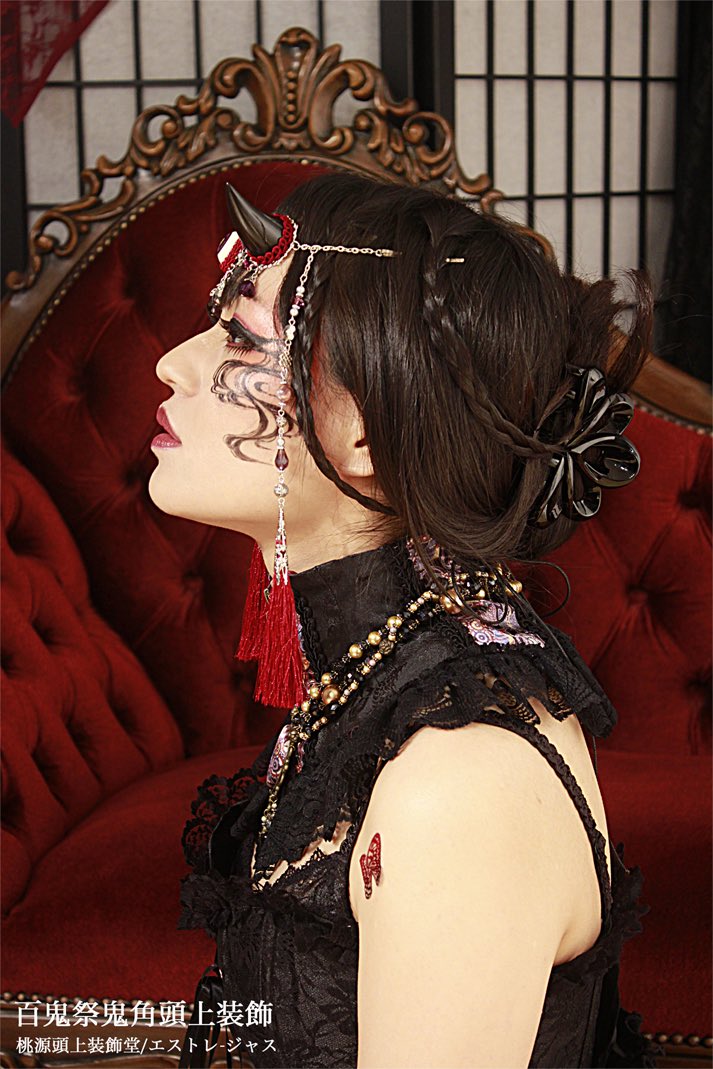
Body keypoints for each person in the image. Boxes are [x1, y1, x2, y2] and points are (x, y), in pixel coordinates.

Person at [149, 173, 663, 1068]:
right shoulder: (385, 670)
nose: (172, 363)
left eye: (237, 335)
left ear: (362, 430)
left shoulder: (456, 778)